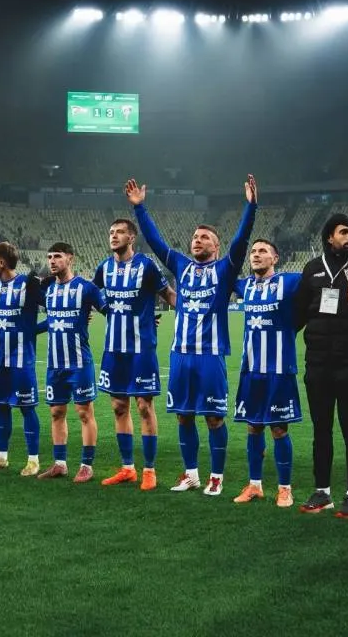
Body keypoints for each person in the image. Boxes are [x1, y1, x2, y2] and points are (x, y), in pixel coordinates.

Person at [129, 174, 258, 495]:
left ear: (216, 245)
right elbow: (156, 241)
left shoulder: (226, 268)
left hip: (210, 357)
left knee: (214, 419)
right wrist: (140, 209)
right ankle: (191, 474)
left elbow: (241, 242)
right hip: (180, 356)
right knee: (184, 418)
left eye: (204, 237)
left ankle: (216, 477)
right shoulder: (180, 264)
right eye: (194, 237)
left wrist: (251, 207)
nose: (197, 240)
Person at [293, 214, 348, 517]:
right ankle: (322, 491)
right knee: (321, 430)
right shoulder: (312, 269)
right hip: (318, 365)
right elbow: (297, 314)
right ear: (329, 238)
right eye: (343, 232)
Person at [93, 218, 175, 491]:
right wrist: (110, 313)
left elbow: (168, 295)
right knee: (119, 407)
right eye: (111, 232)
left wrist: (193, 310)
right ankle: (128, 467)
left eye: (119, 232)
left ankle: (149, 470)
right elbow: (94, 297)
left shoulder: (146, 266)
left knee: (143, 406)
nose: (113, 236)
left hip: (141, 349)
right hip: (113, 350)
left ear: (131, 238)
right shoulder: (104, 268)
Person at [231, 239, 304, 508]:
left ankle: (285, 489)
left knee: (278, 428)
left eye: (262, 251)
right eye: (253, 251)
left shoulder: (290, 281)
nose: (256, 255)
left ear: (275, 258)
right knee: (253, 426)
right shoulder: (244, 285)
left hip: (279, 370)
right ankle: (254, 486)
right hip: (251, 370)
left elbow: (322, 280)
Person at [36, 243, 107, 483]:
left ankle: (87, 465)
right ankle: (60, 464)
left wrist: (141, 319)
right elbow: (52, 321)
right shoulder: (48, 290)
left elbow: (111, 312)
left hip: (79, 362)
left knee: (84, 412)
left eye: (57, 256)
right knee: (56, 412)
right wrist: (28, 330)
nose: (52, 261)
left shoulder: (86, 288)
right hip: (55, 364)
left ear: (70, 259)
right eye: (49, 257)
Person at [0, 242, 45, 475]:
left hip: (21, 359)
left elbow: (56, 309)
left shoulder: (28, 284)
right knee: (1, 407)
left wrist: (33, 330)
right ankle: (1, 457)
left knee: (26, 408)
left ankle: (33, 460)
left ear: (2, 262)